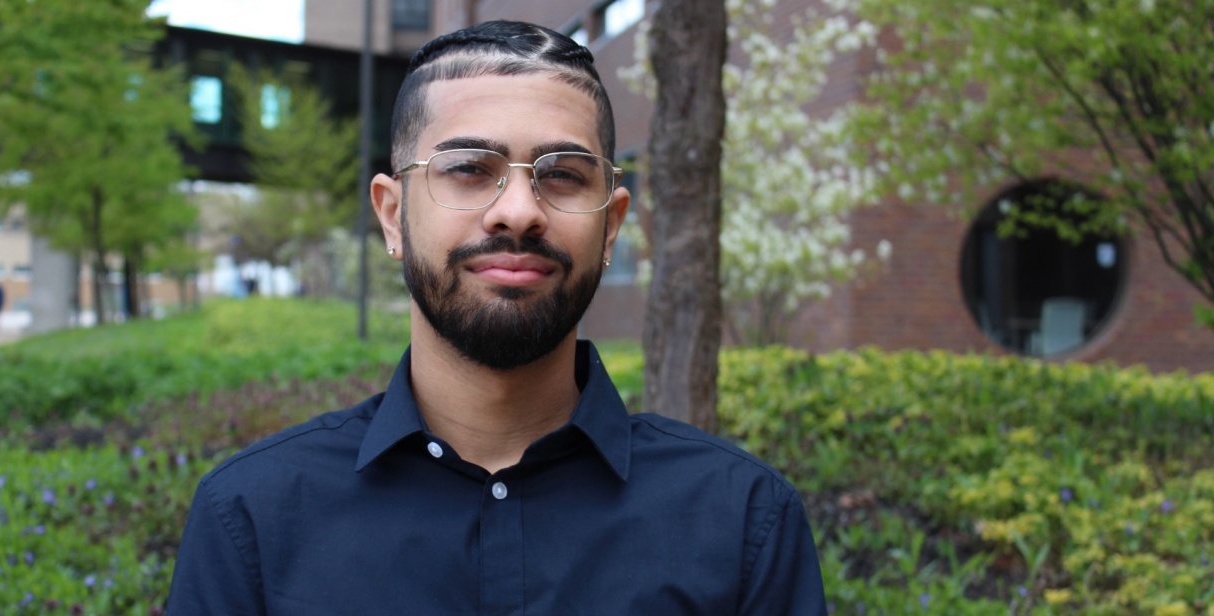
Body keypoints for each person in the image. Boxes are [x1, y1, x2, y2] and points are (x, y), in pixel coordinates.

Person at [166, 20, 825, 614]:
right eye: (468, 169)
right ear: (393, 216)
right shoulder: (251, 519)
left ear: (612, 224)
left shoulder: (743, 523)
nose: (518, 210)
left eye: (563, 174)